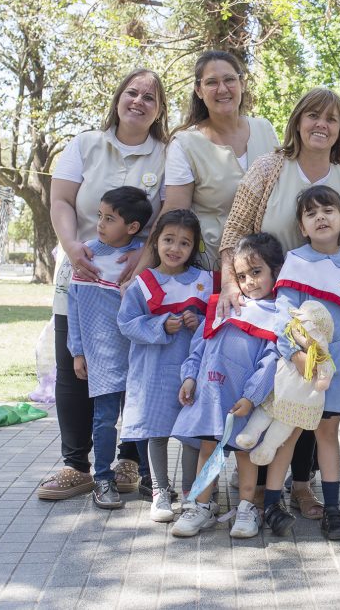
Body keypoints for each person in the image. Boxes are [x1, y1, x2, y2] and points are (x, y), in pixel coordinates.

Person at [220, 87, 340, 521]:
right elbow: (233, 235)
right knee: (269, 394)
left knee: (315, 400)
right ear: (297, 121)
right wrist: (233, 285)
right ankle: (255, 487)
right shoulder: (269, 167)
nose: (320, 125)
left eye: (331, 119)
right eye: (312, 116)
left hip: (325, 313)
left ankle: (302, 486)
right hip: (271, 304)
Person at [40, 69, 167, 501]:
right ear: (117, 98)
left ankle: (129, 461)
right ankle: (77, 465)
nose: (139, 101)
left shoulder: (168, 154)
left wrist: (144, 254)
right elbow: (60, 200)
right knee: (76, 369)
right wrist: (72, 246)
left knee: (136, 371)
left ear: (159, 110)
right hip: (83, 274)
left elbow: (168, 212)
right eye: (131, 92)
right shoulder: (85, 144)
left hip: (135, 283)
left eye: (149, 97)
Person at [172, 232, 296, 539]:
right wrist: (189, 377)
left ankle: (245, 507)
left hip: (241, 399)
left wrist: (252, 398)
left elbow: (270, 362)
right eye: (241, 275)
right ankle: (201, 506)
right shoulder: (223, 306)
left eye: (257, 272)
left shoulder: (276, 317)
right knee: (208, 448)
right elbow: (199, 347)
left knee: (245, 453)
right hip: (209, 394)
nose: (249, 282)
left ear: (275, 272)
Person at [274, 185, 340, 540]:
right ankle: (273, 504)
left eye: (328, 210)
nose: (321, 217)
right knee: (289, 432)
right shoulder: (296, 261)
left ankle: (333, 509)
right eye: (311, 213)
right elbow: (283, 316)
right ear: (301, 226)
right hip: (301, 365)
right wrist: (295, 354)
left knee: (328, 433)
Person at [134, 51, 280, 276]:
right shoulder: (185, 143)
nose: (222, 89)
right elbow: (173, 209)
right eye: (211, 82)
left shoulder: (265, 129)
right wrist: (140, 272)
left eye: (230, 79)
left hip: (266, 269)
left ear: (242, 83)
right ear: (199, 90)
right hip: (210, 269)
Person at [117, 210, 212, 523]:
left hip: (191, 370)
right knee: (156, 432)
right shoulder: (143, 284)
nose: (175, 248)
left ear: (194, 246)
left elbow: (213, 324)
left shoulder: (203, 281)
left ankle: (189, 492)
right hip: (154, 370)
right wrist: (161, 325)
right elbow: (127, 323)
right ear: (156, 241)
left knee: (190, 434)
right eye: (169, 239)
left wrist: (196, 322)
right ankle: (159, 490)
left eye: (185, 242)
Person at [66, 187, 154, 509]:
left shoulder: (145, 257)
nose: (100, 223)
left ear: (132, 227)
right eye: (100, 216)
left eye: (109, 219)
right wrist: (77, 351)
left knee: (142, 417)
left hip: (139, 355)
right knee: (104, 420)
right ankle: (102, 478)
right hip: (100, 356)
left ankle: (151, 479)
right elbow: (73, 306)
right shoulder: (85, 255)